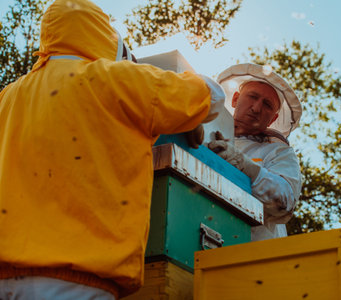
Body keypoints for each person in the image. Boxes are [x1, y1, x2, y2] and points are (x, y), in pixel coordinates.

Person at [0, 0, 224, 299]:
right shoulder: (116, 79)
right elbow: (212, 95)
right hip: (77, 278)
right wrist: (193, 115)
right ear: (102, 34)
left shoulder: (8, 96)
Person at [208, 63, 302, 241]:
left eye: (267, 105)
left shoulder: (278, 152)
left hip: (255, 254)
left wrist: (247, 169)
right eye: (252, 96)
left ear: (273, 118)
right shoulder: (210, 131)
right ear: (235, 99)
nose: (257, 108)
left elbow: (285, 201)